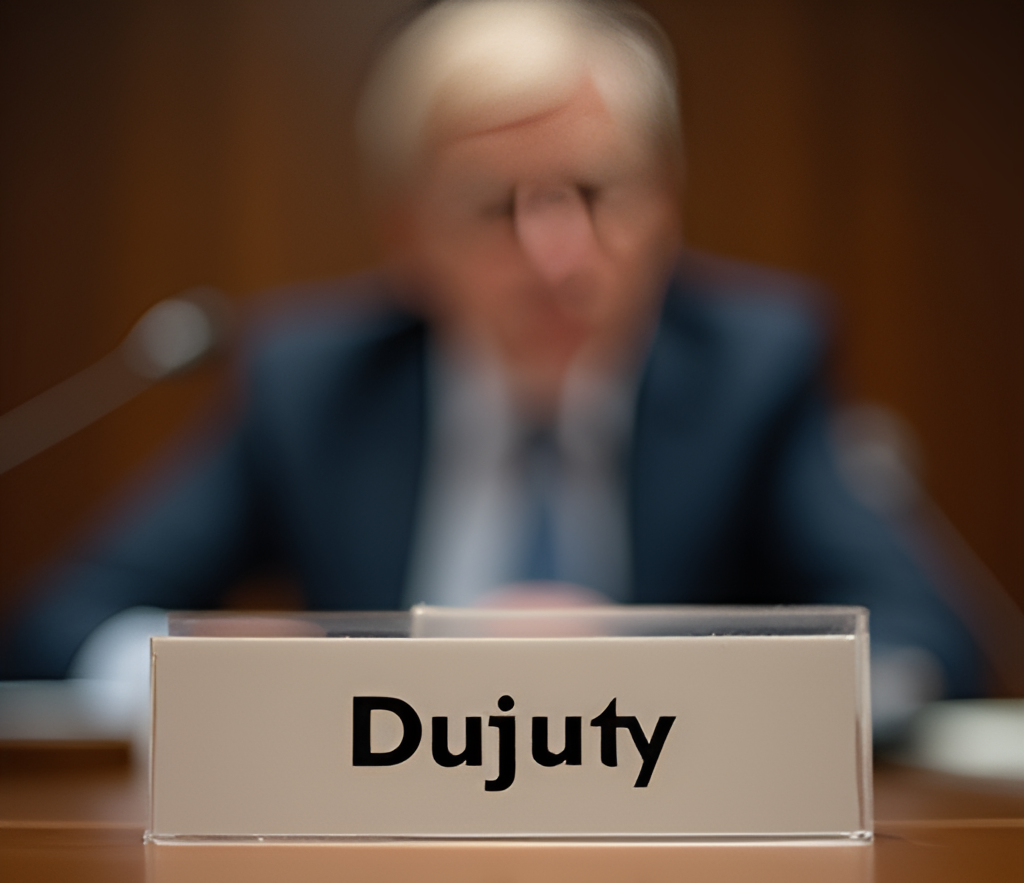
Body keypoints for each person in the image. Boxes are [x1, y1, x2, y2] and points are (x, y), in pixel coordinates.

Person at [0, 0, 981, 738]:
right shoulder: (313, 386)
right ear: (404, 237)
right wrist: (211, 669)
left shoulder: (753, 368)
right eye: (492, 205)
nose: (559, 256)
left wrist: (653, 662)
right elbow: (57, 626)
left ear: (666, 204)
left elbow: (928, 642)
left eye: (597, 191)